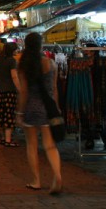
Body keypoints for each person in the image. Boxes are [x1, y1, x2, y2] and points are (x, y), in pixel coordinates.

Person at [16, 32, 62, 194]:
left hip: (31, 108)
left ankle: (36, 181)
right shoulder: (50, 63)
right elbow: (54, 89)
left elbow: (24, 91)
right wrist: (56, 107)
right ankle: (57, 175)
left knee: (32, 145)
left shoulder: (24, 65)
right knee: (50, 145)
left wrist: (20, 112)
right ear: (41, 45)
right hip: (47, 108)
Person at [0, 42, 20, 147]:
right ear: (13, 51)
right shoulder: (12, 61)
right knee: (9, 114)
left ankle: (3, 138)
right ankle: (8, 140)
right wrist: (20, 88)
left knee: (1, 114)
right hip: (10, 91)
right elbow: (14, 77)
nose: (17, 51)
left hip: (0, 90)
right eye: (16, 50)